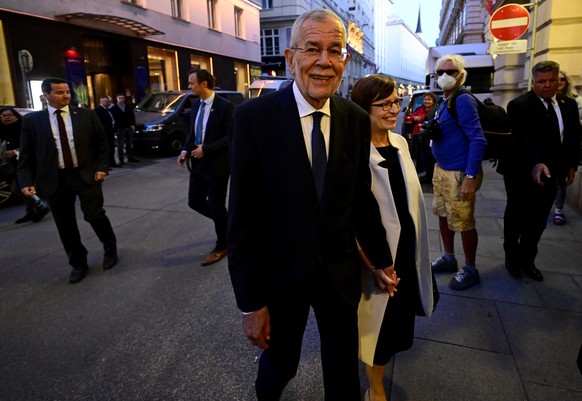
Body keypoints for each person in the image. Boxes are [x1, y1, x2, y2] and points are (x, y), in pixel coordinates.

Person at [227, 9, 393, 400]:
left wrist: (382, 260)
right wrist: (250, 303)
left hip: (339, 271)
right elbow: (241, 218)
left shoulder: (354, 119)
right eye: (312, 49)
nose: (324, 61)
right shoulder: (253, 119)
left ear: (344, 61)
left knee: (342, 368)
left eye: (334, 50)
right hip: (281, 275)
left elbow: (359, 198)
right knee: (280, 362)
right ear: (290, 57)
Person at [350, 75, 435, 401]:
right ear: (363, 108)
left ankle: (378, 375)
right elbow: (353, 216)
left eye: (396, 102)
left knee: (396, 321)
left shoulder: (399, 143)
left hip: (407, 250)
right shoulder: (356, 151)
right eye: (384, 104)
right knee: (377, 326)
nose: (394, 109)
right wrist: (372, 263)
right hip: (376, 254)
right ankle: (376, 388)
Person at [17, 77, 118, 284]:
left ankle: (110, 249)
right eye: (60, 92)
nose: (66, 96)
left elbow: (102, 142)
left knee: (94, 215)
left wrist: (102, 168)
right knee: (65, 224)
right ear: (46, 96)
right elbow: (26, 154)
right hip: (54, 179)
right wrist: (26, 180)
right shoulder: (32, 121)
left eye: (67, 92)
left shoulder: (86, 115)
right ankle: (78, 263)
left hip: (86, 175)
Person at [500, 61, 582, 281]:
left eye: (552, 80)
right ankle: (511, 257)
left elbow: (573, 137)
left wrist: (572, 165)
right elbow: (523, 139)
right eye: (541, 82)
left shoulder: (569, 105)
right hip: (520, 171)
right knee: (516, 216)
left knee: (538, 219)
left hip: (552, 172)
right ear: (533, 82)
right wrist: (536, 162)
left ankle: (528, 259)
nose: (547, 85)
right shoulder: (519, 105)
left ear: (559, 80)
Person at [430, 54, 487, 291]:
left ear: (461, 75)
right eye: (440, 72)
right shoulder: (445, 99)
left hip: (460, 173)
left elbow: (477, 139)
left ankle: (471, 268)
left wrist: (470, 177)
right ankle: (448, 257)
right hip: (442, 169)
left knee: (463, 223)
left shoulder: (462, 100)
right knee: (443, 215)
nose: (444, 76)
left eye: (450, 72)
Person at [177, 69, 233, 266]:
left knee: (216, 206)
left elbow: (230, 137)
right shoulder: (196, 105)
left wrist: (206, 149)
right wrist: (185, 150)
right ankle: (227, 225)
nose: (189, 86)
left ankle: (222, 245)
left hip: (218, 165)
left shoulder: (225, 107)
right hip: (198, 164)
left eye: (192, 83)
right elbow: (192, 133)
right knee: (195, 201)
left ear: (204, 84)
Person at [0, 107, 50, 223]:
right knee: (17, 188)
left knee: (23, 186)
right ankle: (32, 209)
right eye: (3, 116)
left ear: (15, 116)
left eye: (9, 115)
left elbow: (33, 143)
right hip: (10, 163)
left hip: (27, 161)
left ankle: (40, 206)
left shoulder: (23, 127)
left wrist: (15, 151)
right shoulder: (2, 130)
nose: (6, 118)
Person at [552, 70, 582, 225]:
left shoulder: (573, 102)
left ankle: (559, 210)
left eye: (562, 79)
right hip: (547, 152)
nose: (559, 82)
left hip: (563, 151)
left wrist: (573, 163)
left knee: (560, 182)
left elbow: (576, 133)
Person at [410, 92, 437, 182]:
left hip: (428, 138)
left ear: (433, 101)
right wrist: (414, 118)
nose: (427, 101)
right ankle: (423, 174)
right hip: (417, 135)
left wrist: (424, 126)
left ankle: (429, 176)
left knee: (429, 157)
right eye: (425, 99)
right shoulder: (420, 108)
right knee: (419, 156)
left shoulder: (435, 110)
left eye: (429, 99)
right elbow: (411, 117)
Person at [111, 93, 139, 165]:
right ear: (117, 99)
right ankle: (121, 160)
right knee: (120, 145)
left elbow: (132, 116)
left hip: (129, 127)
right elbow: (113, 120)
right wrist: (116, 129)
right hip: (120, 129)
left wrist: (133, 124)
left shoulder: (128, 106)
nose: (121, 99)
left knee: (129, 143)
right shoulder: (113, 108)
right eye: (119, 98)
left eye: (122, 98)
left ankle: (130, 157)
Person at [94, 96, 118, 168]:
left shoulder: (107, 110)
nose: (108, 103)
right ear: (101, 102)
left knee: (111, 148)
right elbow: (99, 123)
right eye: (107, 102)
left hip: (110, 133)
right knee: (105, 150)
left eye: (109, 102)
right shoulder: (98, 110)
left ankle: (112, 162)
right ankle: (105, 165)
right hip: (104, 134)